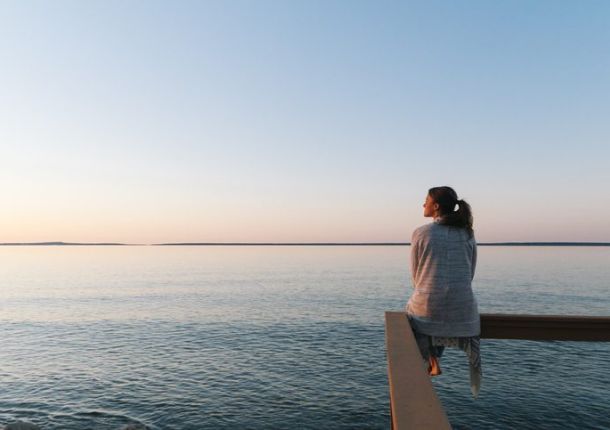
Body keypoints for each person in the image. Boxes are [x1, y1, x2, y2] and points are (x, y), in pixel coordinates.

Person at [406, 186, 481, 396]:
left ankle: (431, 359)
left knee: (416, 312)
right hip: (464, 310)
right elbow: (470, 271)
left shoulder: (421, 233)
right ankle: (434, 359)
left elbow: (416, 275)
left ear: (436, 206)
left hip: (429, 307)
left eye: (426, 201)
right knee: (439, 310)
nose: (423, 204)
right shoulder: (467, 233)